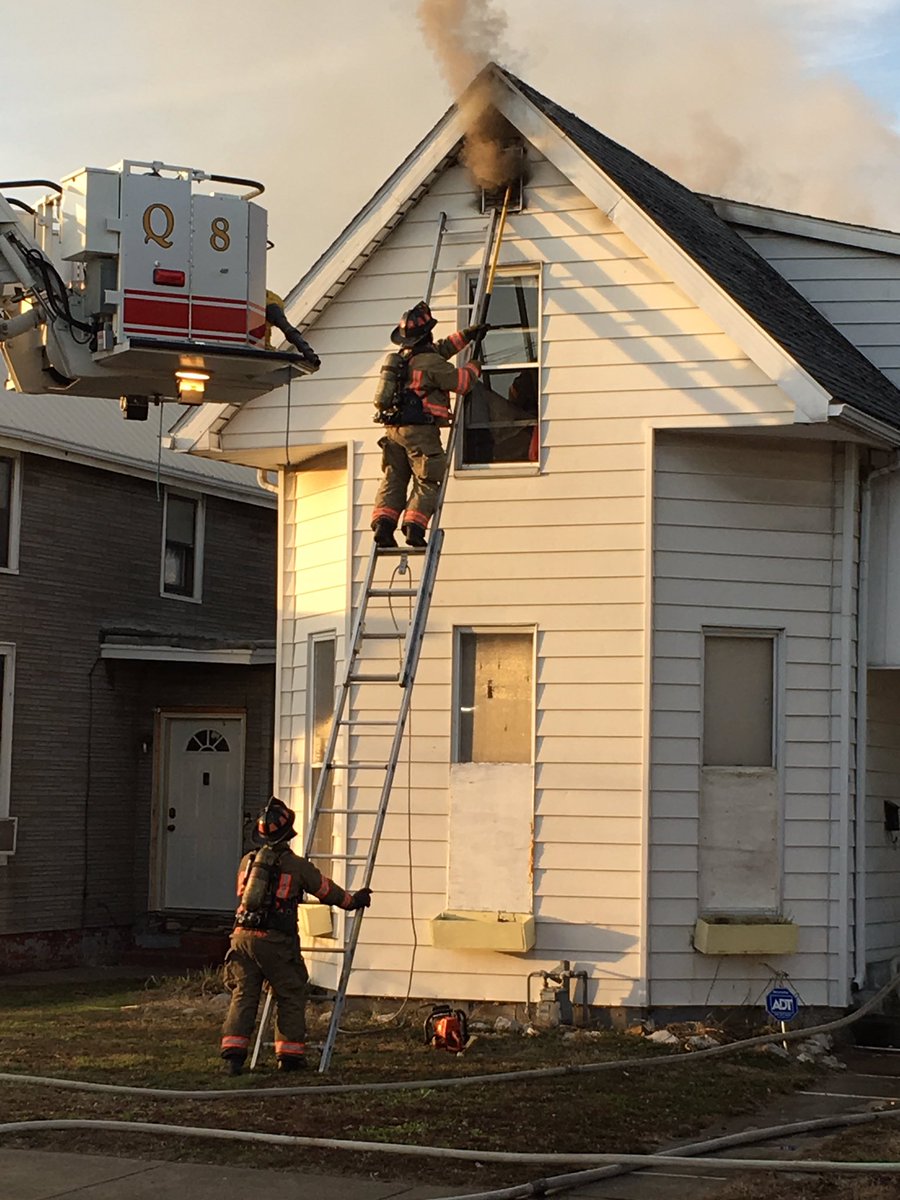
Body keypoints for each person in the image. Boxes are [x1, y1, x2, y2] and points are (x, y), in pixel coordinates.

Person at [219, 797, 371, 1075]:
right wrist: (354, 901)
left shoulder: (247, 862)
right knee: (289, 992)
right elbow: (326, 891)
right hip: (275, 941)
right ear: (288, 834)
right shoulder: (296, 866)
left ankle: (233, 1057)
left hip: (241, 938)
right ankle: (289, 1057)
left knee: (244, 995)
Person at [370, 301, 489, 548]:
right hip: (420, 432)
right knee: (427, 479)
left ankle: (384, 525)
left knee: (394, 478)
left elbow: (441, 349)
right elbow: (463, 382)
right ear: (427, 334)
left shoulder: (403, 359)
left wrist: (466, 335)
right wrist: (475, 366)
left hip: (393, 431)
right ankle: (414, 528)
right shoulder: (431, 364)